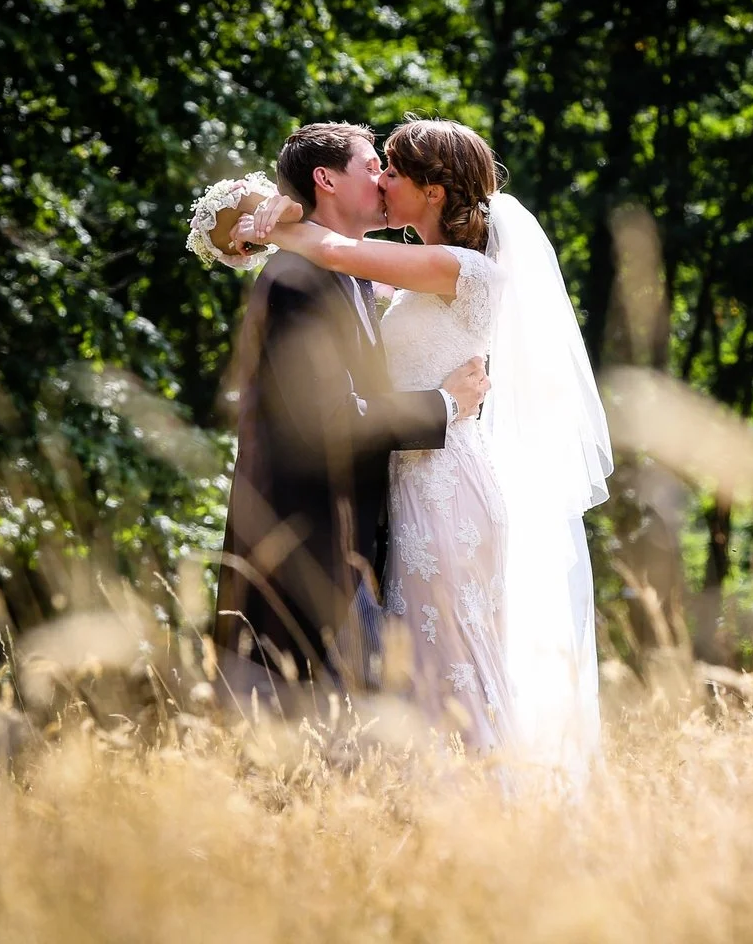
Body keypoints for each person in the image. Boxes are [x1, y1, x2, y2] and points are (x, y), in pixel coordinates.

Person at [234, 117, 612, 780]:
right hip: (409, 490)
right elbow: (338, 259)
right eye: (374, 166)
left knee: (452, 666)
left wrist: (276, 220)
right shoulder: (410, 270)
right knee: (425, 674)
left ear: (432, 192)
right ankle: (436, 806)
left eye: (393, 171)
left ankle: (489, 799)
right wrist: (258, 214)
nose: (382, 180)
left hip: (446, 486)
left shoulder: (457, 268)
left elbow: (338, 251)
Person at [213, 122, 489, 716]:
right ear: (326, 180)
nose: (384, 180)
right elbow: (330, 419)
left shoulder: (356, 275)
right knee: (326, 727)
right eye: (372, 166)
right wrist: (443, 405)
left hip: (366, 541)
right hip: (306, 547)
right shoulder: (298, 281)